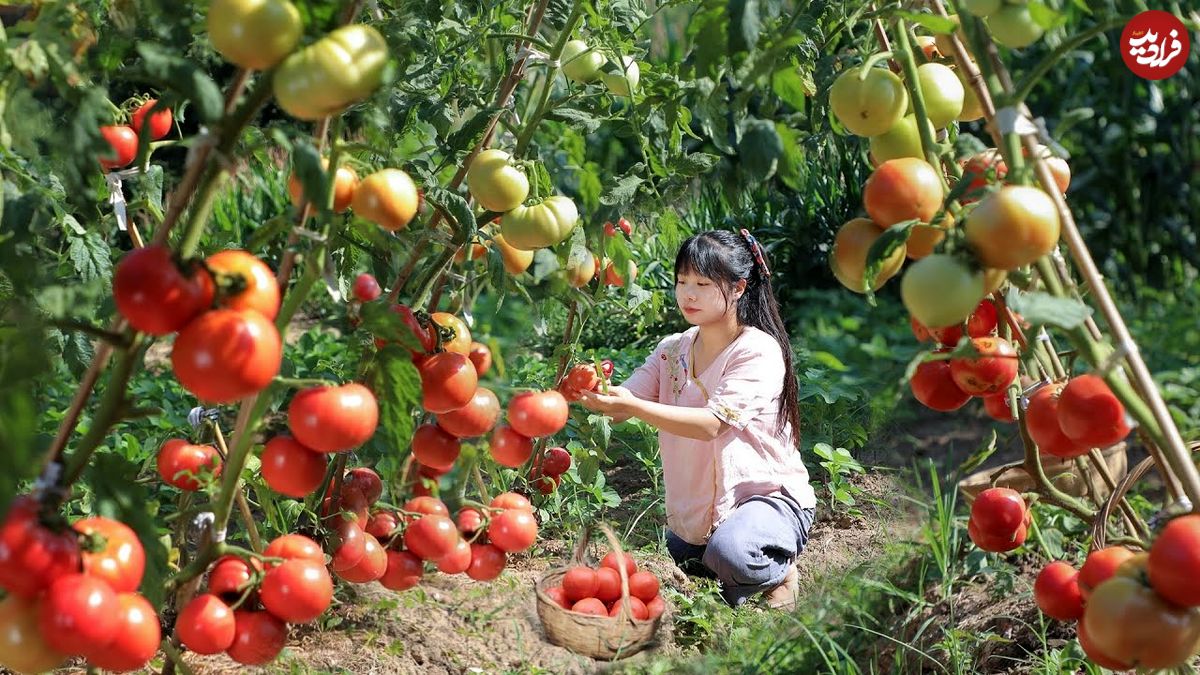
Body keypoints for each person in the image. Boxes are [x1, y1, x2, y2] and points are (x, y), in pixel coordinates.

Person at [579, 229, 816, 609]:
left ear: (738, 288)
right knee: (688, 559)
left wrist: (634, 408)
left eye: (703, 284)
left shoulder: (757, 350)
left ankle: (780, 570)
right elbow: (629, 397)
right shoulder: (672, 350)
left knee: (731, 555)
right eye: (682, 282)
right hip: (700, 512)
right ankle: (733, 573)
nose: (688, 294)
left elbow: (711, 424)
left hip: (766, 498)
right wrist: (595, 393)